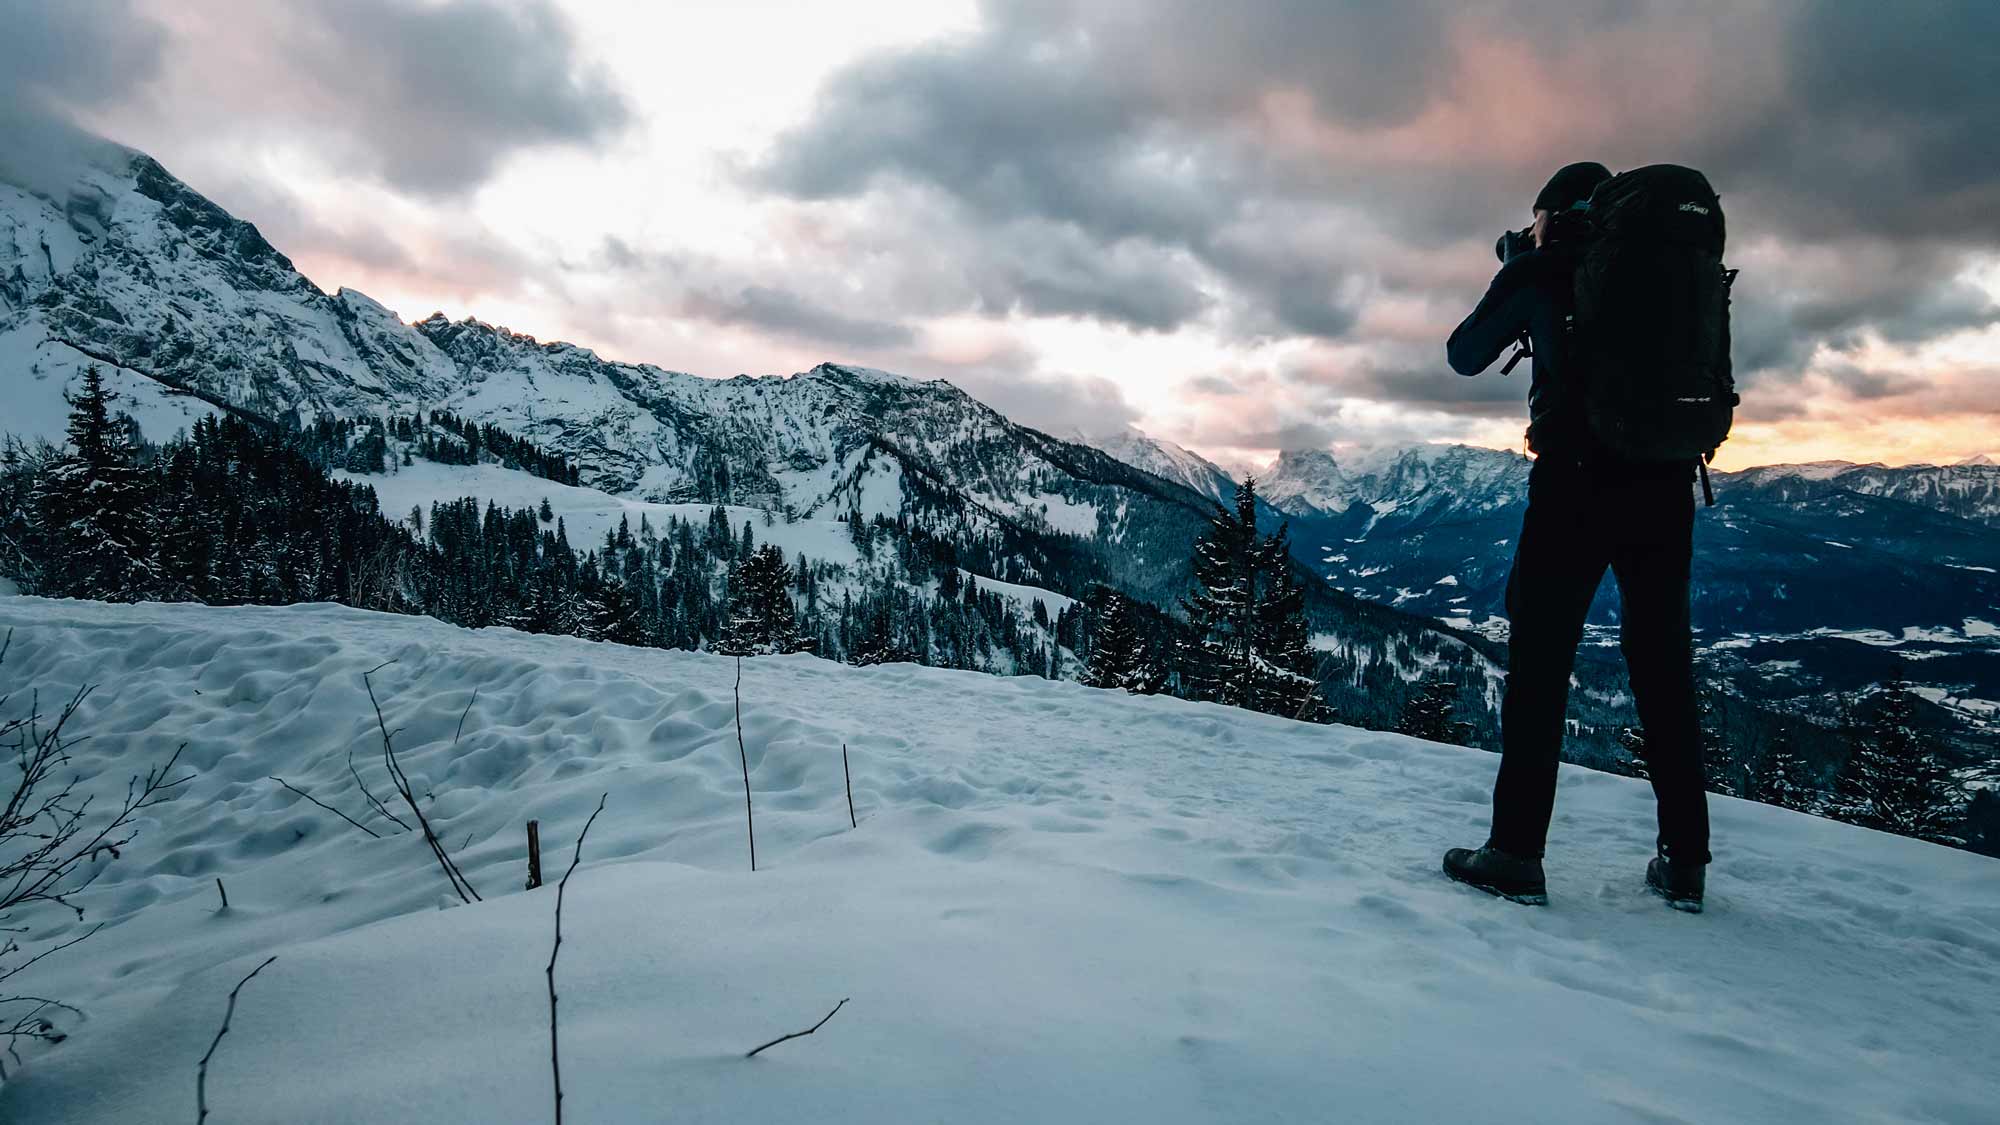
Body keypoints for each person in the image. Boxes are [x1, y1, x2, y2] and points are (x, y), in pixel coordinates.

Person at [1439, 162, 1711, 912]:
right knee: (1662, 663)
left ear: (1553, 216)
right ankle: (1685, 859)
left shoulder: (1545, 267)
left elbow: (1463, 352)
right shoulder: (1663, 266)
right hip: (1665, 484)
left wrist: (1520, 264)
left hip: (1575, 485)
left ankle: (1516, 851)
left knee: (1539, 660)